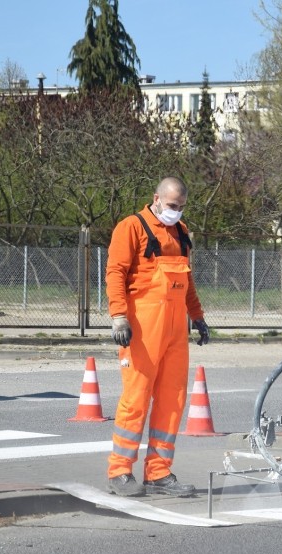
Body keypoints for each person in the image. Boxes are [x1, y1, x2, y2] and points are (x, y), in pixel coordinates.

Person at [104, 176, 210, 498]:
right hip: (142, 326)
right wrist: (119, 316)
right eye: (172, 205)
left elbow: (186, 281)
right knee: (135, 399)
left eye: (180, 207)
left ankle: (159, 472)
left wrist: (198, 317)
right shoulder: (131, 227)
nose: (175, 212)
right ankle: (120, 471)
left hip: (176, 329)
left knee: (172, 400)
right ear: (157, 198)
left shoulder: (181, 232)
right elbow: (115, 272)